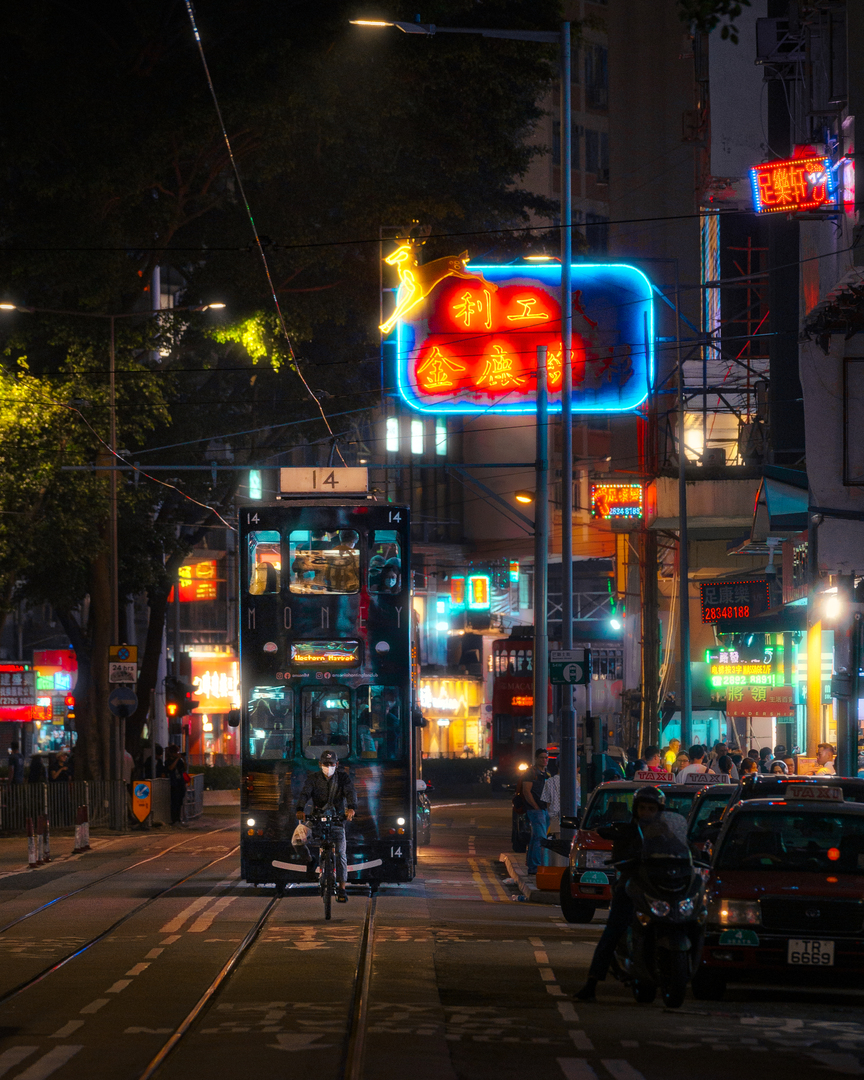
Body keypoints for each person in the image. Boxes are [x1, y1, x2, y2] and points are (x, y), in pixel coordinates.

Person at [574, 786, 667, 1002]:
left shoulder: (666, 832)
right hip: (632, 887)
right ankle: (592, 982)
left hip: (660, 890)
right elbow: (619, 854)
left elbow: (684, 851)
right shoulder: (628, 831)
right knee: (613, 930)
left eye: (651, 808)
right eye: (642, 808)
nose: (646, 812)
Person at [294, 749, 357, 902]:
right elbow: (304, 793)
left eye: (331, 763)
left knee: (341, 854)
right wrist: (300, 809)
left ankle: (342, 888)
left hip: (337, 821)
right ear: (319, 764)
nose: (329, 766)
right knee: (297, 839)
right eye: (325, 764)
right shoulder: (313, 778)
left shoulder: (343, 778)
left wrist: (351, 808)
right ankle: (310, 861)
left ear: (337, 764)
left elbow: (351, 793)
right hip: (316, 820)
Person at [523, 748, 551, 878]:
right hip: (535, 810)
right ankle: (536, 866)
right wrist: (535, 806)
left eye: (546, 758)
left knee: (536, 838)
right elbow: (526, 791)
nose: (544, 760)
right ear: (536, 759)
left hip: (544, 810)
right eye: (542, 757)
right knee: (540, 838)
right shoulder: (531, 772)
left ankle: (532, 866)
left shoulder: (547, 774)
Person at [164, 744, 188, 825]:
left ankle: (178, 819)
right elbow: (170, 768)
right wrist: (177, 759)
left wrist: (183, 759)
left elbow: (185, 768)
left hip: (180, 783)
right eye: (175, 752)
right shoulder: (168, 761)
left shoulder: (179, 761)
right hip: (174, 784)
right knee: (174, 802)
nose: (177, 754)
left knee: (180, 802)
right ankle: (174, 820)